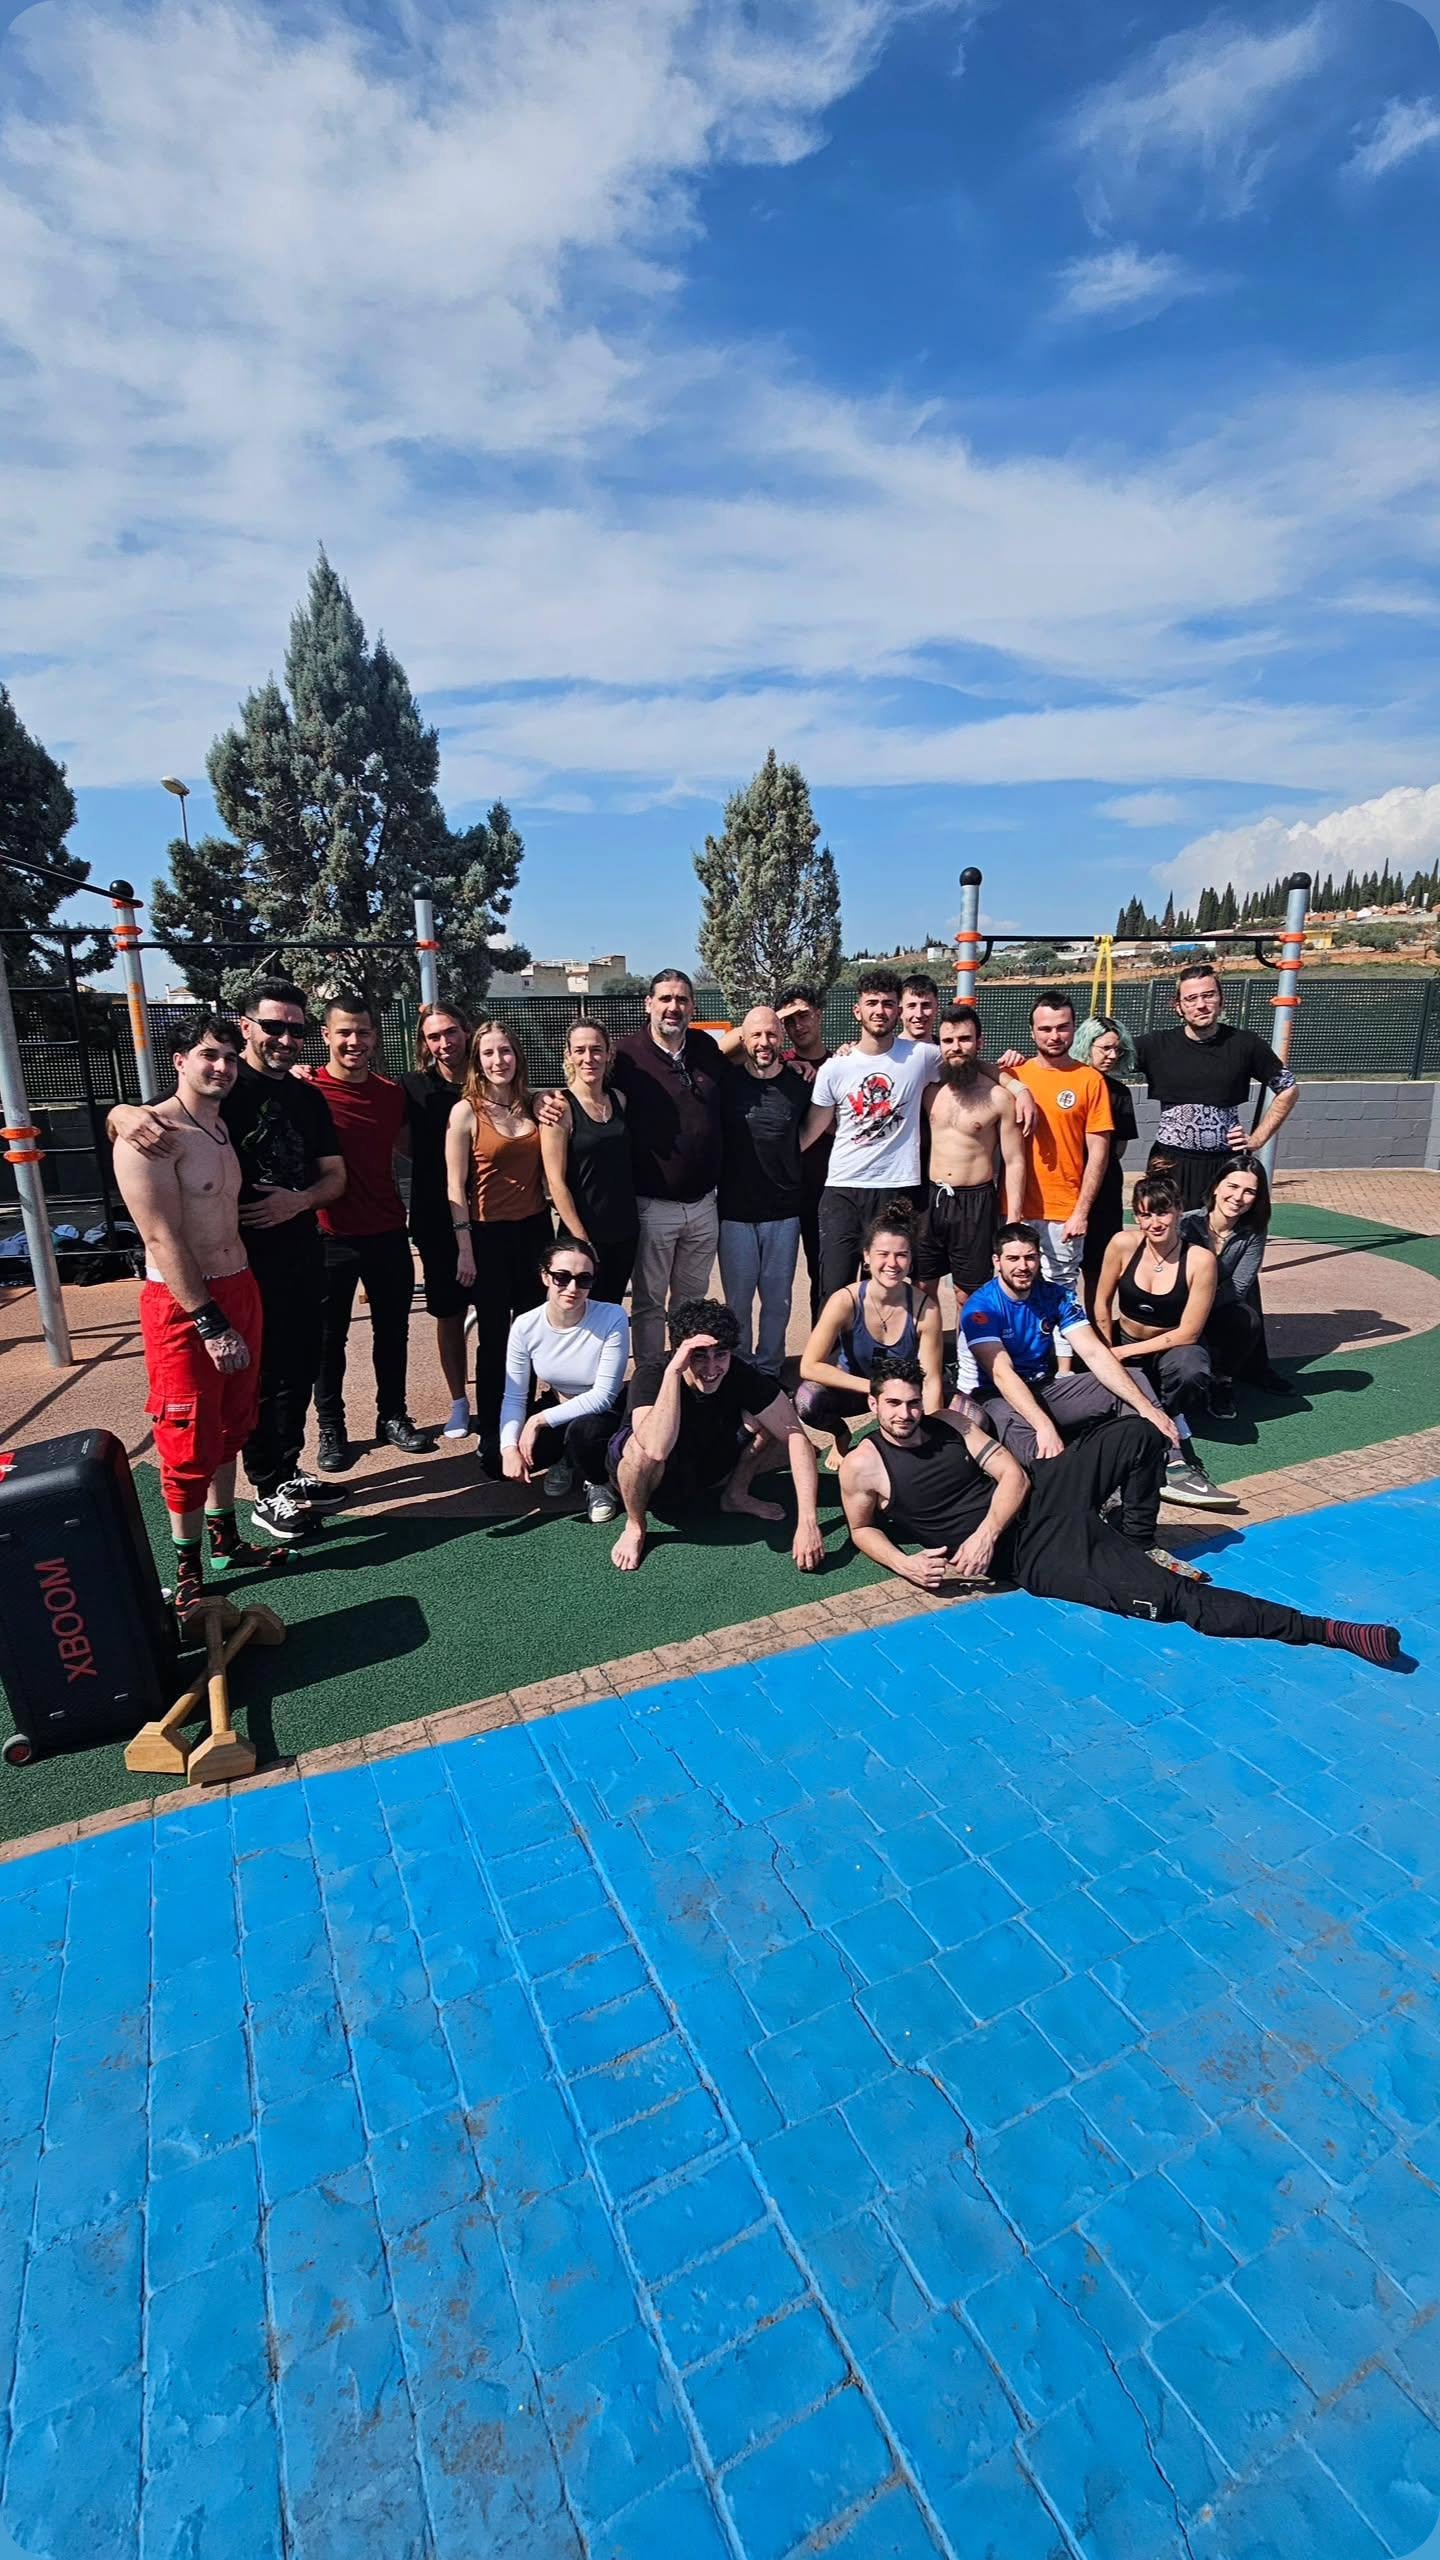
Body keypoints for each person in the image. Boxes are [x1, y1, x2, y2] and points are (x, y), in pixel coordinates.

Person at [839, 1356, 1401, 1666]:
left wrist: (985, 1531)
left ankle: (1134, 1536)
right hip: (1035, 1553)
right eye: (894, 1404)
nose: (906, 1414)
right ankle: (1328, 1630)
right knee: (1175, 1599)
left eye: (912, 1402)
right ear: (873, 1403)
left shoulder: (950, 1423)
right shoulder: (863, 1467)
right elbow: (863, 1529)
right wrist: (906, 1564)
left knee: (1139, 1432)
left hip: (1039, 1495)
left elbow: (1013, 1475)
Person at [108, 979, 348, 1545]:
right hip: (226, 1272)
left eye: (296, 1028)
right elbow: (148, 1123)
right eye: (274, 1026)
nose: (285, 1038)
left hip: (291, 1257)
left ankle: (283, 1471)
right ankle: (264, 1490)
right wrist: (120, 1113)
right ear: (248, 1027)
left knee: (294, 1371)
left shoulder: (301, 1097)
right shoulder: (218, 1091)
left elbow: (334, 1177)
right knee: (240, 1390)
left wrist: (299, 1201)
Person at [113, 1017, 286, 1609]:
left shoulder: (219, 1125)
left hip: (240, 1284)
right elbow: (160, 1237)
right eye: (209, 1055)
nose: (223, 1067)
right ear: (179, 1060)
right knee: (186, 1434)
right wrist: (209, 1322)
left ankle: (224, 1539)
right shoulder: (150, 1135)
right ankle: (186, 1569)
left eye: (231, 1058)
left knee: (232, 1424)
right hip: (185, 1304)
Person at [963, 1221, 1237, 1512]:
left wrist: (1147, 1408)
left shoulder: (1055, 1295)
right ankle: (1092, 1495)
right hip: (995, 1396)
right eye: (1013, 1258)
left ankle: (1173, 1467)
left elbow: (1094, 1353)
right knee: (1040, 1447)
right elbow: (1002, 1375)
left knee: (1133, 1379)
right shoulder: (981, 1307)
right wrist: (1043, 1425)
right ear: (997, 1261)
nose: (1023, 1266)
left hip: (1043, 1387)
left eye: (1030, 1257)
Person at [607, 1298, 824, 1576]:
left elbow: (796, 1435)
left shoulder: (740, 1372)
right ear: (679, 1352)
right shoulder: (653, 1373)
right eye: (699, 1356)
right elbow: (655, 1449)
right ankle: (636, 1525)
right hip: (652, 1480)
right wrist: (673, 1373)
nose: (711, 1369)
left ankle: (735, 1495)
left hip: (702, 1464)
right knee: (640, 1451)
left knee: (773, 1418)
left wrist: (808, 1522)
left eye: (720, 1355)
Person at [312, 995, 433, 1472]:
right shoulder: (307, 1090)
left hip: (387, 1231)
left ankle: (393, 1416)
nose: (354, 1041)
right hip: (329, 1237)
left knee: (393, 1332)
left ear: (375, 1037)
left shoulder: (390, 1095)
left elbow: (413, 1148)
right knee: (329, 1340)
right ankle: (331, 1427)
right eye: (344, 1032)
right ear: (326, 1035)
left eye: (362, 1032)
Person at [446, 1021, 552, 1473]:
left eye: (505, 1051)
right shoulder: (466, 1112)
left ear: (517, 1055)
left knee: (532, 1333)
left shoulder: (534, 1105)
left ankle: (523, 1419)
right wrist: (464, 1247)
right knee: (494, 1338)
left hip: (535, 1233)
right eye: (488, 1053)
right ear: (477, 1061)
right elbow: (455, 1186)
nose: (498, 1061)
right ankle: (492, 1429)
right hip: (487, 1236)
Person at [803, 967, 941, 1299]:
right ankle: (830, 1337)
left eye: (888, 1003)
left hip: (898, 1188)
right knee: (834, 1289)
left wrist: (1015, 1085)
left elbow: (970, 1066)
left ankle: (883, 1337)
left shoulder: (922, 1057)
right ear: (858, 1010)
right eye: (872, 1003)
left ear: (898, 1010)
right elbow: (811, 1130)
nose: (880, 1010)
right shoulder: (835, 1067)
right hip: (843, 1189)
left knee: (887, 1289)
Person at [610, 971, 724, 1363]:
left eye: (681, 999)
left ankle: (685, 1377)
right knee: (649, 1303)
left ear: (692, 1006)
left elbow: (752, 1048)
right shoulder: (625, 1056)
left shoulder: (706, 1048)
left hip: (704, 1205)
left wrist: (797, 1064)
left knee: (691, 1304)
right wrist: (546, 1100)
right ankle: (651, 1378)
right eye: (665, 998)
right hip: (653, 1206)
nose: (673, 1007)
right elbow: (584, 1089)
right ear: (649, 1004)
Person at [797, 1204, 953, 1463]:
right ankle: (841, 1435)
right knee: (807, 1400)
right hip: (857, 1390)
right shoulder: (845, 1301)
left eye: (901, 1255)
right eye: (883, 1254)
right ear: (866, 1257)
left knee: (972, 1414)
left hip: (905, 1395)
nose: (892, 1263)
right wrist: (875, 1388)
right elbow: (809, 1366)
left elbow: (931, 1380)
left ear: (911, 1260)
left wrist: (930, 1433)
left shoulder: (926, 1309)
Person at [1136, 965, 1298, 1211]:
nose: (1201, 1005)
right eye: (1191, 998)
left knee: (1222, 1231)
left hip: (1225, 1165)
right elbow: (1108, 1056)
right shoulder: (1156, 1045)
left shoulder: (1245, 1044)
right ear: (1178, 1007)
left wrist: (1258, 1139)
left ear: (1222, 1001)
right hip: (1169, 1163)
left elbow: (1288, 1089)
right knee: (1165, 1230)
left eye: (1208, 995)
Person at [1092, 1177, 1226, 1465]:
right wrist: (1107, 1349)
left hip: (1172, 1345)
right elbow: (1101, 1302)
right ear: (1136, 1217)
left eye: (1162, 1213)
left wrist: (1122, 1353)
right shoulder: (1122, 1244)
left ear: (1179, 1210)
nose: (1154, 1223)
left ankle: (1172, 1411)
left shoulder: (1200, 1260)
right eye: (1145, 1215)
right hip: (1124, 1337)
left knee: (1191, 1369)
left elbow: (1189, 1333)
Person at [499, 1236, 630, 1524]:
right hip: (557, 1402)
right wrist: (508, 1448)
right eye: (562, 1277)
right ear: (545, 1276)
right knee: (494, 1460)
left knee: (584, 1432)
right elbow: (514, 1396)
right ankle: (566, 1457)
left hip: (605, 1409)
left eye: (584, 1280)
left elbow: (604, 1396)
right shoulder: (525, 1324)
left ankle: (599, 1480)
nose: (573, 1288)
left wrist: (537, 1421)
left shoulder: (613, 1316)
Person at [717, 1006, 811, 1374]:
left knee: (778, 1302)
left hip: (783, 1211)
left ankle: (769, 1370)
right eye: (756, 1034)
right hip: (735, 1212)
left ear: (782, 1037)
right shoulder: (725, 1083)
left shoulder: (799, 1084)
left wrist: (791, 1152)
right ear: (743, 1038)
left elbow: (817, 1123)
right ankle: (740, 1369)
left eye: (771, 1033)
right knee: (737, 1304)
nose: (764, 1042)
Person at [917, 1006, 1027, 1308]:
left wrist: (1013, 1218)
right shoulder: (929, 1091)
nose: (956, 1047)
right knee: (922, 1285)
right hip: (931, 1198)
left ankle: (967, 1342)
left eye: (965, 1039)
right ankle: (929, 1341)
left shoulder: (999, 1097)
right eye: (948, 1040)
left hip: (975, 1203)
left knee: (968, 1293)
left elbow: (1015, 1160)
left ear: (980, 1042)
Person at [403, 1002, 475, 1442]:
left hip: (493, 1215)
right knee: (449, 1313)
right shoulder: (412, 1088)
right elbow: (403, 1142)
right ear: (424, 1043)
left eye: (450, 1032)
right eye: (434, 1036)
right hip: (436, 1218)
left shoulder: (489, 1078)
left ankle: (508, 1397)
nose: (444, 1043)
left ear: (466, 1031)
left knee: (504, 1314)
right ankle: (459, 1402)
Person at [1011, 990, 1114, 1297]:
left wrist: (1081, 1211)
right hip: (1015, 1208)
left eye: (1062, 1027)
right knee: (1015, 1290)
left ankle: (1061, 1334)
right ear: (1032, 1031)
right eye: (1045, 1028)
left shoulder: (1090, 1080)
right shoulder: (1012, 1075)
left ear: (1074, 1028)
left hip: (1064, 1211)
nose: (1054, 1036)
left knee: (1060, 1290)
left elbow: (1099, 1152)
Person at [539, 1018, 640, 1309]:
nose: (589, 1058)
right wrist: (581, 1241)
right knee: (574, 1313)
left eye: (596, 1049)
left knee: (610, 1310)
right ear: (569, 1055)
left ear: (609, 1053)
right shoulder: (560, 1108)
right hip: (581, 1235)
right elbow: (555, 1182)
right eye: (580, 1050)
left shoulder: (619, 1100)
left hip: (624, 1233)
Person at [1181, 1157, 1289, 1412]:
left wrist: (1201, 1310)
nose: (1238, 1197)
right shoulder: (1186, 1224)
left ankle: (1223, 1379)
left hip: (1218, 1303)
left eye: (1249, 1191)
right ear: (1216, 1187)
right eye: (1232, 1186)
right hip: (1180, 1303)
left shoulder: (1254, 1232)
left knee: (1247, 1319)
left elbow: (1239, 1285)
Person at [1071, 1015, 1139, 1303]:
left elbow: (1118, 1149)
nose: (1112, 1055)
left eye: (1117, 1050)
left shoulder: (1119, 1093)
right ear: (1086, 1045)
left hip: (1104, 1190)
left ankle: (1097, 1322)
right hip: (1064, 1185)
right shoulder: (1066, 1084)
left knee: (1098, 1266)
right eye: (1105, 1048)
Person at [776, 983, 833, 1324]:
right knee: (774, 1282)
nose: (798, 1025)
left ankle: (828, 1348)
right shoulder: (774, 1064)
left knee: (826, 1275)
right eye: (789, 1020)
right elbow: (731, 1052)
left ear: (818, 1015)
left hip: (827, 1190)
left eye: (804, 1015)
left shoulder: (843, 1063)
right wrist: (784, 1067)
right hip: (782, 1191)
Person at [900, 973, 941, 1045]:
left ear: (936, 1008)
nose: (919, 1015)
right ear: (900, 1010)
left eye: (926, 1005)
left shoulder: (947, 1050)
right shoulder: (885, 1050)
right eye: (911, 1006)